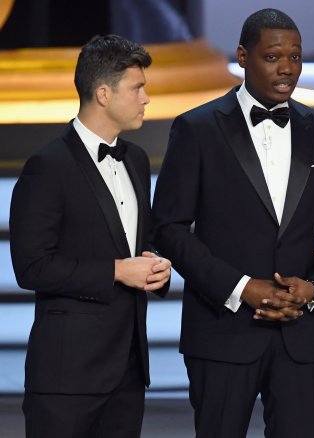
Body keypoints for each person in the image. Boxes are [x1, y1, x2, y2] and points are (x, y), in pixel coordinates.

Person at [151, 8, 314, 438]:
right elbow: (169, 229)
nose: (287, 68)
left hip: (299, 332)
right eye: (273, 57)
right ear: (244, 56)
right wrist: (240, 287)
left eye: (296, 57)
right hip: (222, 330)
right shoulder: (196, 128)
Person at [9, 34, 172, 438]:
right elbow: (31, 267)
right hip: (68, 377)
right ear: (103, 93)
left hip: (128, 372)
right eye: (137, 88)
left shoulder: (134, 159)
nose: (146, 98)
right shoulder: (48, 166)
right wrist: (118, 271)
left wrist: (154, 264)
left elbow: (135, 241)